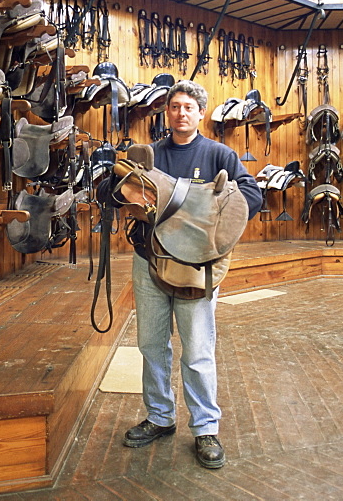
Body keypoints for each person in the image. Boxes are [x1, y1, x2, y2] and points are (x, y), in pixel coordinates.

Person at [120, 80, 262, 469]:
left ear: (201, 113)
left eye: (188, 107)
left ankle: (205, 428)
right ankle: (160, 417)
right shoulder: (150, 154)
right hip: (148, 258)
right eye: (174, 106)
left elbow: (251, 194)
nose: (180, 113)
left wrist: (206, 209)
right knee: (151, 345)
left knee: (198, 349)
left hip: (197, 267)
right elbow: (116, 191)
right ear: (167, 113)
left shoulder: (219, 154)